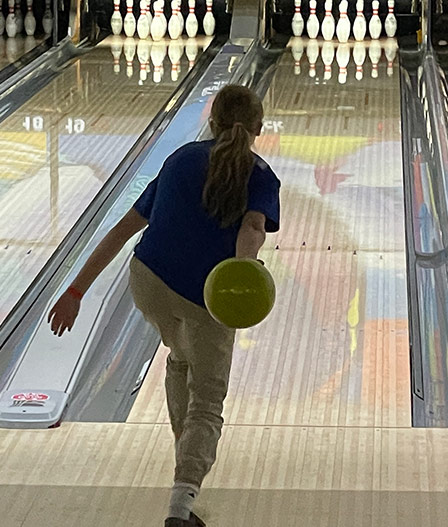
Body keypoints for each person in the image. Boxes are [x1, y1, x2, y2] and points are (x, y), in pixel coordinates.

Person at [47, 85, 280, 527]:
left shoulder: (179, 160)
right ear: (259, 128)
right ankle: (181, 505)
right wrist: (238, 275)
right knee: (208, 399)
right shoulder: (260, 173)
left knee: (180, 357)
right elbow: (252, 228)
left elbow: (123, 229)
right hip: (208, 294)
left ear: (211, 122)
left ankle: (182, 465)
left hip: (149, 281)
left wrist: (76, 291)